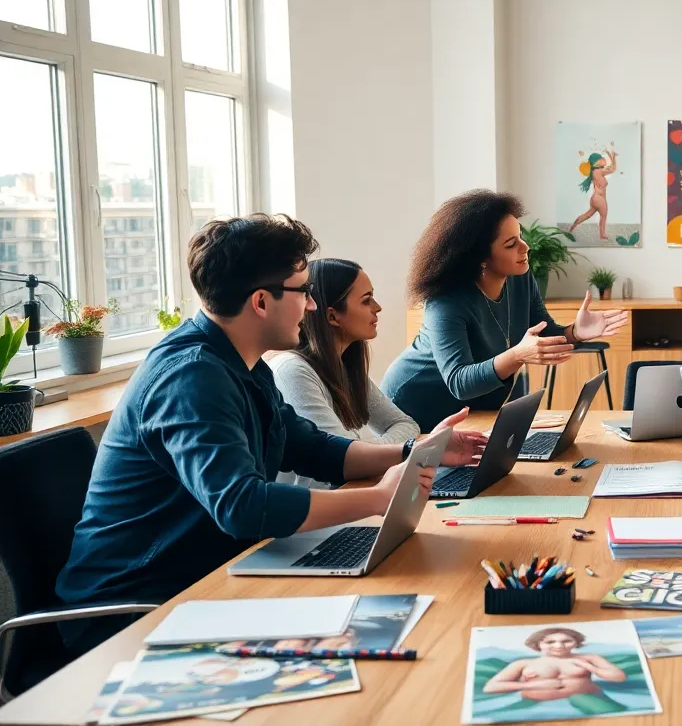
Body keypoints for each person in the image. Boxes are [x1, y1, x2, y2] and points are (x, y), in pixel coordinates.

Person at [55, 215, 488, 655]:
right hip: (137, 611)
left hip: (216, 577)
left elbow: (313, 448)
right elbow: (242, 506)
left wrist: (414, 452)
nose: (313, 306)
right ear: (262, 301)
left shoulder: (245, 363)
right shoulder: (191, 378)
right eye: (304, 291)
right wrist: (379, 498)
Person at [384, 190, 629, 431]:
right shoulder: (445, 302)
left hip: (470, 412)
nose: (526, 248)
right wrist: (517, 355)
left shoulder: (520, 278)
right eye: (511, 244)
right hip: (412, 406)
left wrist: (575, 332)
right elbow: (459, 382)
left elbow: (542, 333)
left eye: (520, 237)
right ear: (479, 258)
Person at [269, 258, 420, 489]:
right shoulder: (292, 370)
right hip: (319, 515)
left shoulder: (344, 366)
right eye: (366, 300)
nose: (377, 308)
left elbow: (406, 424)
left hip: (347, 497)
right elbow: (343, 462)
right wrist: (385, 453)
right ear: (332, 316)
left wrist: (369, 454)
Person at [482, 627, 627, 703]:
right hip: (535, 706)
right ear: (538, 644)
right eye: (550, 642)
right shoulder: (524, 663)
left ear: (576, 642)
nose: (559, 645)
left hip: (589, 700)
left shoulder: (590, 658)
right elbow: (490, 687)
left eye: (566, 641)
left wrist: (590, 667)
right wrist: (532, 686)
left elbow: (619, 678)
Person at [567, 148, 617, 240]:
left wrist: (611, 156)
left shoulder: (595, 171)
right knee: (603, 216)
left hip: (594, 199)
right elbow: (613, 169)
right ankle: (602, 234)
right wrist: (612, 157)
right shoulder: (600, 171)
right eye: (600, 158)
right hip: (600, 199)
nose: (603, 159)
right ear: (596, 162)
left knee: (587, 215)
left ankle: (572, 227)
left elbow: (610, 167)